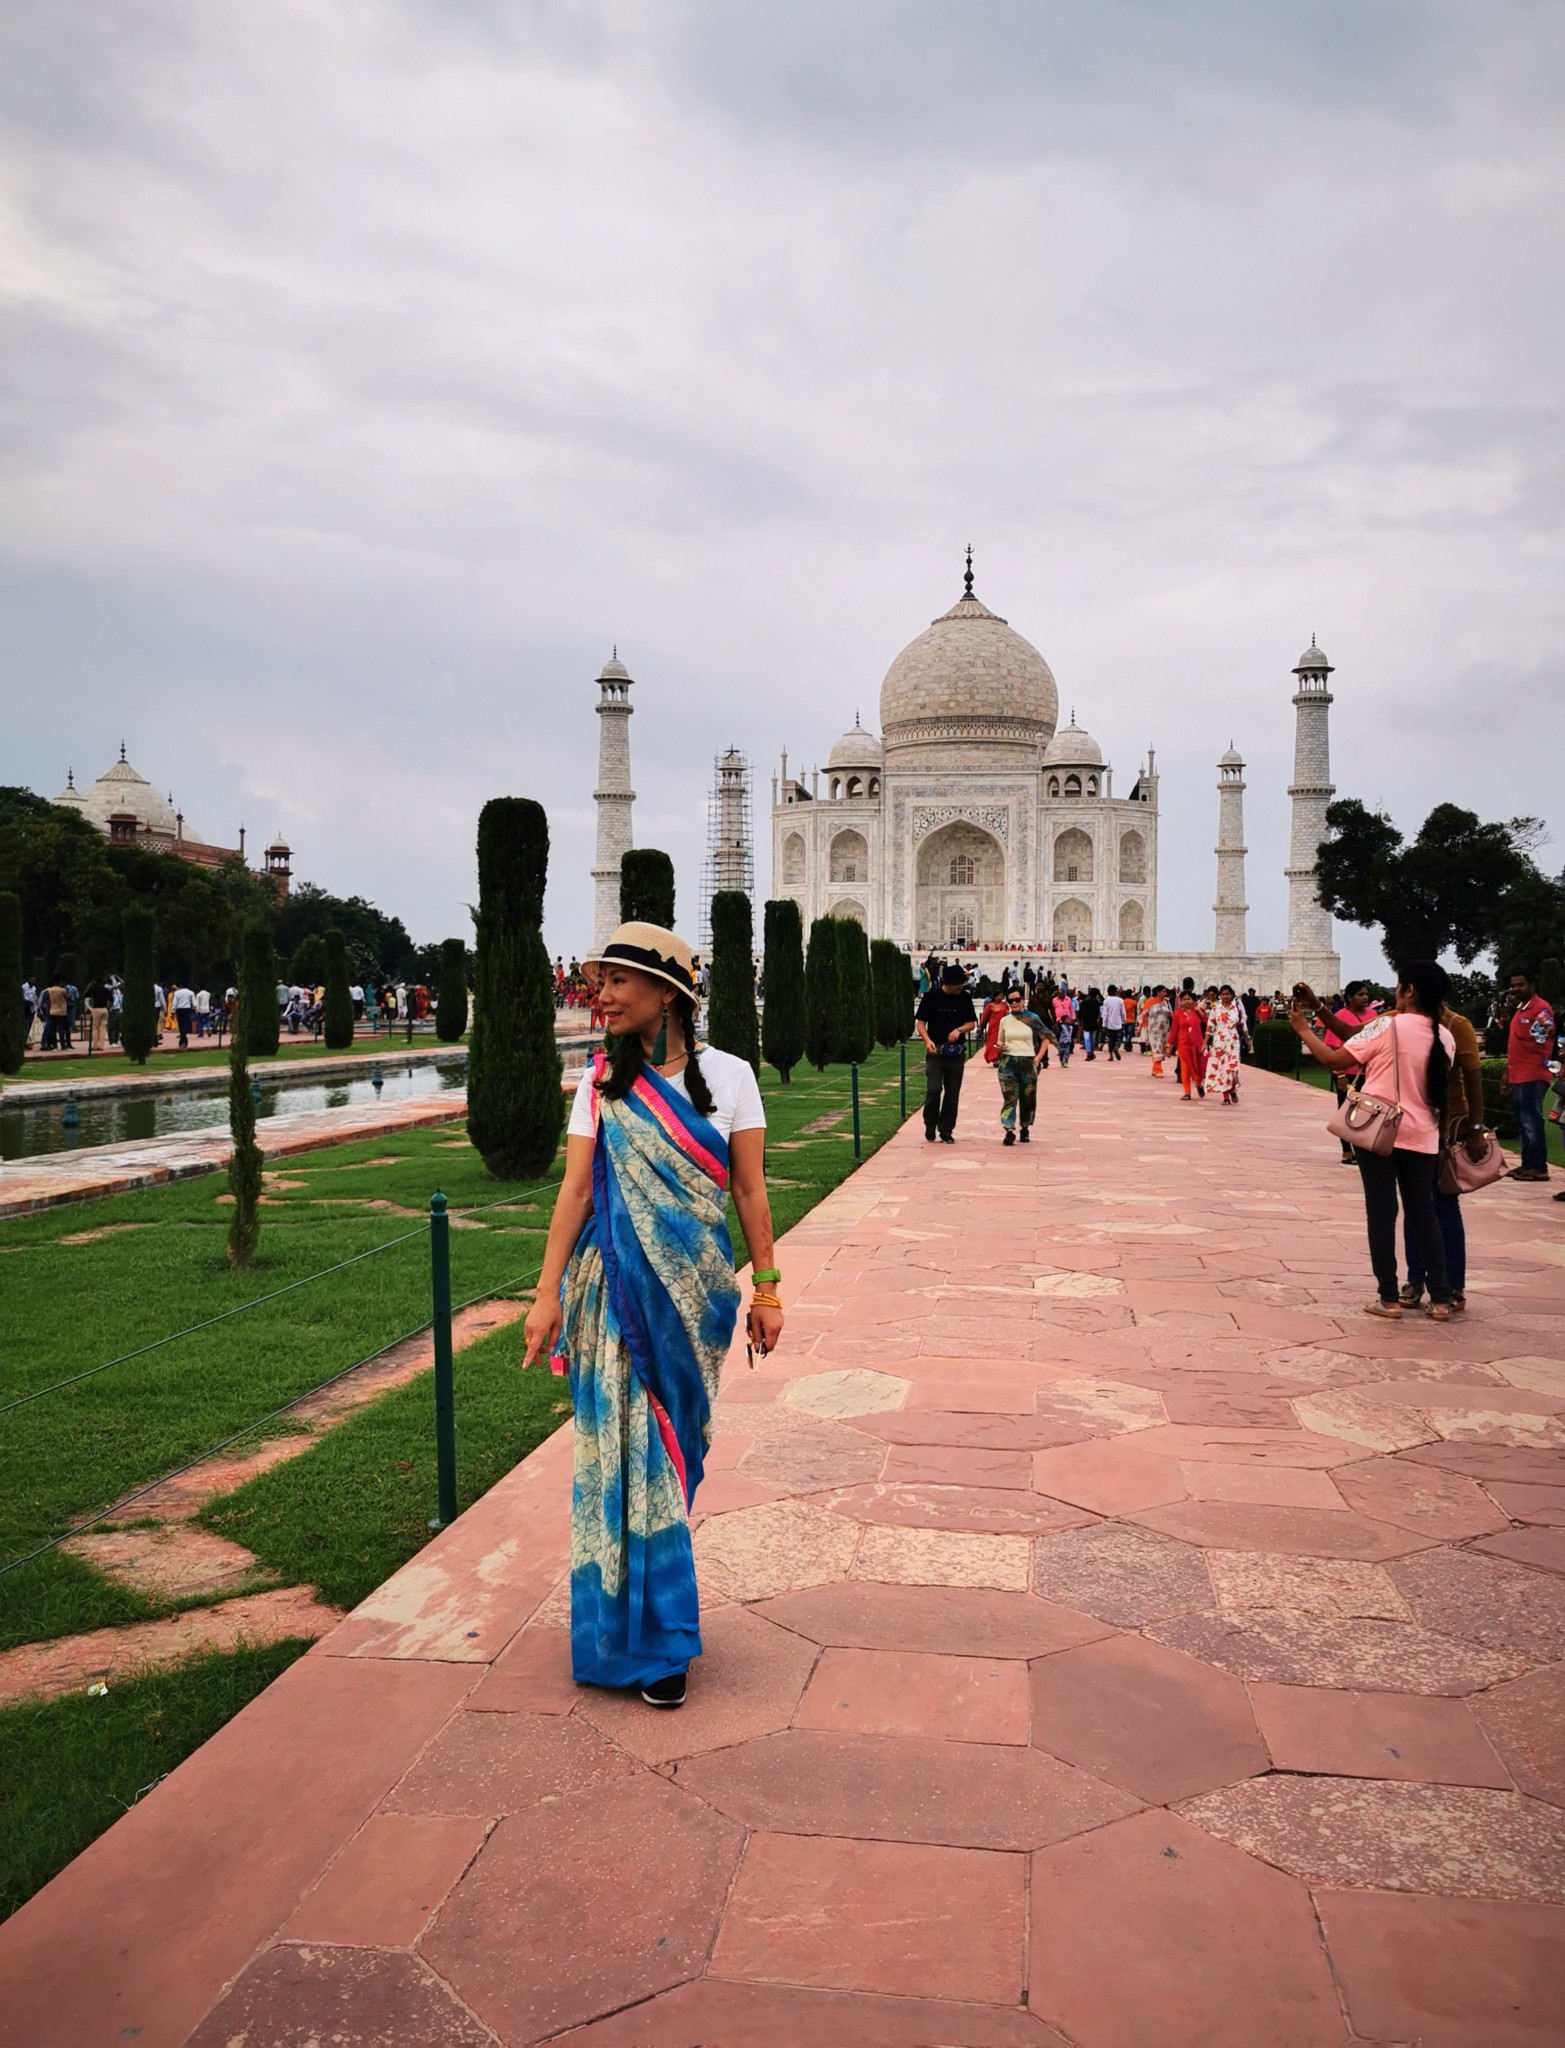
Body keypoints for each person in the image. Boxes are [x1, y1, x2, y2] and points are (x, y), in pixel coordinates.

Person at [523, 922, 780, 1709]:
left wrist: (767, 1287)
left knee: (669, 1452)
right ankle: (653, 1642)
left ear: (666, 992)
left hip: (694, 1298)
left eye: (616, 982)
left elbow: (748, 1189)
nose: (598, 995)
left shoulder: (731, 1075)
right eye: (598, 981)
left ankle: (644, 1622)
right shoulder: (598, 1081)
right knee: (620, 1456)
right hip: (612, 1294)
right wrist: (544, 1293)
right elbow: (573, 1192)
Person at [1287, 960, 1455, 1321]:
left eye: (1399, 986)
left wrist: (1304, 1029)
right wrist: (1319, 1007)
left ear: (1409, 990)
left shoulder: (1386, 1026)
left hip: (1379, 1130)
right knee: (1423, 1213)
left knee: (1381, 1213)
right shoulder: (1446, 1037)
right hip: (1423, 1134)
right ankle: (1441, 1300)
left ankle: (1389, 1299)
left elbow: (1335, 1058)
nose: (1395, 992)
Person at [1403, 995, 1486, 1312]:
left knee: (1445, 1205)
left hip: (1449, 1127)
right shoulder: (1403, 1019)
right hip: (1413, 1123)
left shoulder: (1457, 1024)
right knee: (1414, 1205)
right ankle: (1415, 1278)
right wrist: (1318, 1010)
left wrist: (1476, 1127)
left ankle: (1453, 1283)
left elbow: (1474, 1079)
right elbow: (1351, 1036)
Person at [1504, 968, 1556, 1183]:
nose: (1516, 989)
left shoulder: (1542, 1009)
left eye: (1520, 985)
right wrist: (1507, 1073)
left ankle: (1538, 1167)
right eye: (1513, 985)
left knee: (1531, 1121)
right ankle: (1527, 1164)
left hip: (1533, 1074)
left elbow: (1542, 1041)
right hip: (1518, 1074)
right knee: (1523, 1122)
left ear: (1532, 985)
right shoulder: (1520, 1010)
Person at [916, 962, 978, 1143]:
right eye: (958, 984)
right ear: (948, 983)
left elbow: (971, 1023)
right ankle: (930, 1123)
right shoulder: (932, 997)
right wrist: (927, 1040)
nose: (961, 987)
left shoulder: (964, 998)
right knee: (934, 1089)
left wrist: (959, 1030)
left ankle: (946, 1129)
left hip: (956, 1054)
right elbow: (920, 1023)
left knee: (952, 1094)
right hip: (935, 1052)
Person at [995, 984, 1056, 1144]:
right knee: (1010, 1097)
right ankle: (1008, 1129)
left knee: (1028, 1097)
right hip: (1008, 1061)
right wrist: (1000, 1045)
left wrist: (1038, 1058)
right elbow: (1000, 1039)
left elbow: (1046, 1038)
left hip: (1028, 1061)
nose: (1014, 1003)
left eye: (1017, 1000)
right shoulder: (1005, 1020)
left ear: (1023, 999)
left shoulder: (1032, 1018)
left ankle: (1025, 1127)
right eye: (1010, 1001)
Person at [1204, 985, 1252, 1105]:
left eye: (1227, 994)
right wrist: (1205, 1042)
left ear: (1232, 995)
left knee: (1233, 1069)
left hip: (1233, 1041)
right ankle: (1226, 1096)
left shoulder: (1237, 1009)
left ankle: (1232, 1089)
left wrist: (1248, 1038)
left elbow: (1243, 1024)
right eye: (1223, 994)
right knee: (1222, 1069)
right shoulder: (1216, 1009)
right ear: (1220, 996)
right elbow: (1210, 1027)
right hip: (1219, 1042)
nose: (1225, 996)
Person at [1169, 990, 1206, 1100]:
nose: (1186, 1001)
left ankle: (1198, 1084)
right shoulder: (1178, 1014)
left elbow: (1207, 1022)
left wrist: (1200, 1011)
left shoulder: (1197, 1012)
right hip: (1183, 1045)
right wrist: (1169, 1045)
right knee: (1185, 1068)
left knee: (1199, 1067)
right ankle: (1187, 1092)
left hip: (1197, 1044)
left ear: (1193, 1000)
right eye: (1184, 999)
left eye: (1189, 999)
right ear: (1180, 1001)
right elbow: (1174, 1030)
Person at [1144, 986, 1171, 1076]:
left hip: (1164, 1030)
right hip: (1154, 1029)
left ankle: (1154, 1069)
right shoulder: (1150, 1002)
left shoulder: (1166, 1002)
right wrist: (1140, 1027)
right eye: (1163, 991)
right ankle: (1158, 1070)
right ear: (1158, 992)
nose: (1165, 993)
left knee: (1161, 1048)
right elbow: (1143, 1014)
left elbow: (1170, 1013)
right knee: (1157, 1048)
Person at [1052, 986, 1076, 1066]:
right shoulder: (1054, 1000)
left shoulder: (1068, 999)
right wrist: (1053, 1020)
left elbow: (1071, 1009)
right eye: (1059, 993)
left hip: (1067, 1020)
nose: (1060, 995)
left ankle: (1069, 1049)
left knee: (1069, 1034)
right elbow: (1052, 1010)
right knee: (1058, 1036)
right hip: (1058, 1021)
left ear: (1064, 993)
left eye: (1062, 993)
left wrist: (1073, 1018)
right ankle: (1061, 1050)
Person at [1101, 986, 1126, 1061]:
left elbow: (1104, 1014)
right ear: (1116, 991)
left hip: (1109, 1024)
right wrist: (1123, 1020)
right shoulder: (1120, 1000)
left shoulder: (1106, 1001)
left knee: (1110, 1040)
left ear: (1108, 991)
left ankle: (1111, 1056)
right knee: (1119, 1038)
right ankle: (1117, 1047)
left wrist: (1104, 1025)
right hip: (1118, 1023)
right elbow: (1123, 1012)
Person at [1077, 986, 1102, 1060]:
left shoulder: (1084, 1002)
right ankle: (1090, 1053)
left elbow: (1079, 1014)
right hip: (1094, 1023)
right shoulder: (1096, 1003)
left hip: (1086, 1022)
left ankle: (1089, 1053)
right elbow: (1104, 1002)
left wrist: (1080, 1023)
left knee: (1087, 1038)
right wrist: (1100, 994)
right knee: (1092, 1038)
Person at [171, 981, 196, 1049]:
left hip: (179, 1010)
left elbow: (174, 1003)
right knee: (185, 1024)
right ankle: (184, 1040)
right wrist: (195, 1008)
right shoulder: (191, 992)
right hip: (187, 1009)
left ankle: (182, 1040)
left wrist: (172, 1011)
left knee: (181, 1024)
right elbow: (194, 1003)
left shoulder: (177, 993)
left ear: (181, 985)